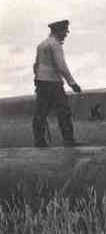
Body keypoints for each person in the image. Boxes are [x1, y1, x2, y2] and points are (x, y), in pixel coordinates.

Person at [33, 19, 82, 147]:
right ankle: (68, 140)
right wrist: (72, 83)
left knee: (41, 112)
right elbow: (61, 66)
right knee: (63, 111)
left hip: (41, 82)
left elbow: (36, 65)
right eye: (65, 31)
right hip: (53, 83)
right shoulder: (55, 45)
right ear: (58, 31)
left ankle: (39, 141)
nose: (66, 33)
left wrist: (37, 80)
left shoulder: (41, 45)